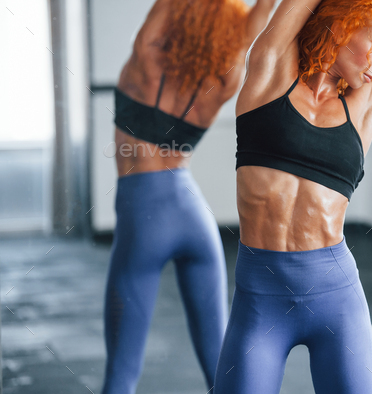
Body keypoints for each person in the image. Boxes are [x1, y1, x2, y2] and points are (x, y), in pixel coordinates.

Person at [212, 0, 372, 392]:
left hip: (337, 301)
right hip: (261, 302)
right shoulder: (269, 74)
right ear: (344, 25)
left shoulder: (364, 109)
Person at [101, 0, 276, 393]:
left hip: (144, 217)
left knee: (122, 377)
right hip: (194, 217)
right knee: (221, 374)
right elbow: (262, 9)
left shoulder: (145, 57)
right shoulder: (225, 76)